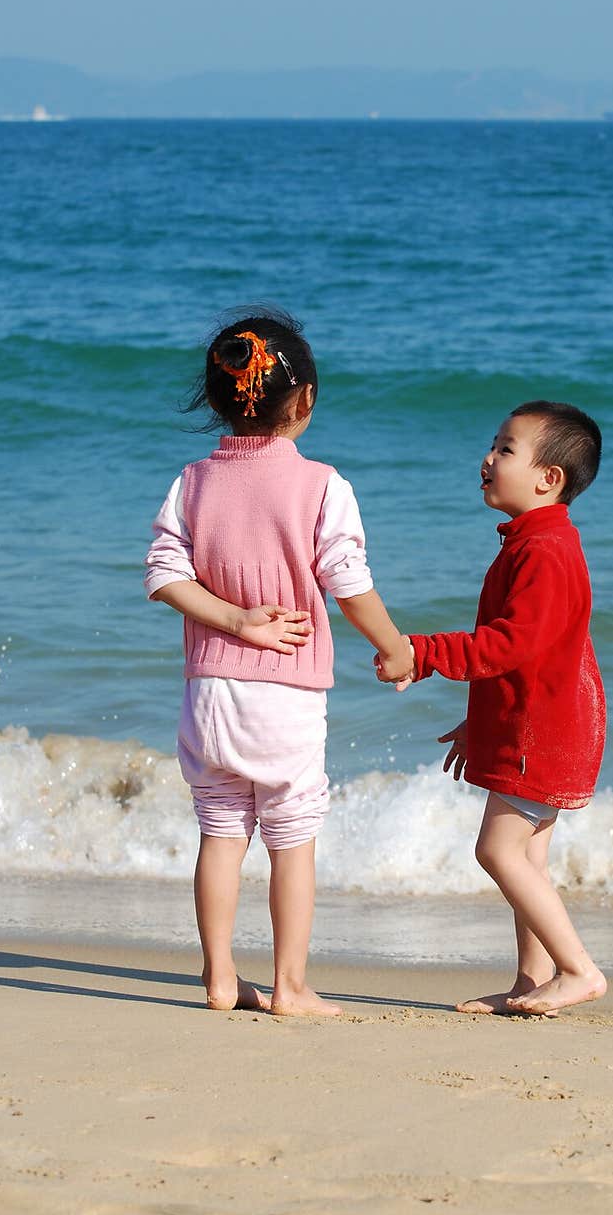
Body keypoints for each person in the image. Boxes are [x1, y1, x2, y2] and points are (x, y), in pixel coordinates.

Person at [144, 308, 413, 1016]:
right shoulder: (323, 485)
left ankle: (220, 977)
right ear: (305, 402)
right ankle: (290, 984)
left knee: (220, 829)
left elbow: (163, 572)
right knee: (291, 837)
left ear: (218, 398)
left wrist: (232, 620)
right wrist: (395, 646)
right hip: (286, 691)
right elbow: (347, 581)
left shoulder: (194, 481)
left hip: (208, 691)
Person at [376, 402, 607, 1016]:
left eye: (506, 449)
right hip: (549, 721)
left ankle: (578, 969)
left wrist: (420, 653)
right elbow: (541, 656)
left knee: (498, 853)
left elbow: (512, 644)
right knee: (528, 857)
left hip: (546, 730)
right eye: (493, 444)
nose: (488, 457)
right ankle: (533, 981)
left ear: (547, 478)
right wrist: (481, 721)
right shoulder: (539, 543)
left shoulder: (544, 552)